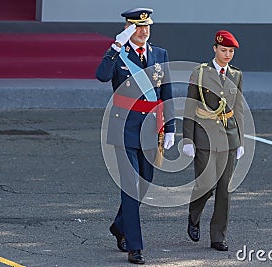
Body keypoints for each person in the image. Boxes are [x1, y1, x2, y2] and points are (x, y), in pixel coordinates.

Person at [96, 7, 175, 264]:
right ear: (129, 29)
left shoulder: (160, 54)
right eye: (138, 27)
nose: (144, 31)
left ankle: (120, 226)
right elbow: (101, 75)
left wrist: (171, 128)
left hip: (150, 130)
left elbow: (167, 95)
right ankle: (134, 246)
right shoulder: (119, 55)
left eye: (147, 26)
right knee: (130, 187)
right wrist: (116, 45)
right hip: (123, 130)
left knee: (145, 184)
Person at [182, 30, 244, 251]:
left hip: (228, 138)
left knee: (224, 190)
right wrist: (187, 139)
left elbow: (238, 109)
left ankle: (218, 236)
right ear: (214, 49)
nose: (227, 54)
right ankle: (194, 216)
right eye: (224, 50)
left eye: (231, 51)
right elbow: (190, 107)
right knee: (206, 184)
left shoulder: (236, 75)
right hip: (204, 137)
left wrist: (241, 141)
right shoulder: (200, 73)